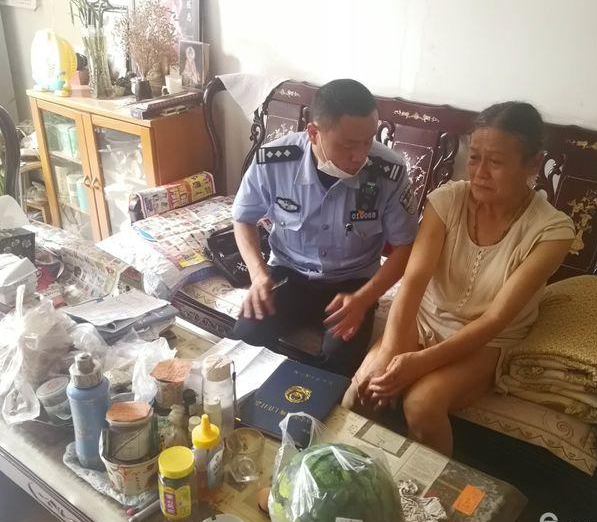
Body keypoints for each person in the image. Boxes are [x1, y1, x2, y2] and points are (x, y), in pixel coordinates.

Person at [343, 101, 576, 456]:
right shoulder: (447, 200)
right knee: (359, 394)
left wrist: (419, 363)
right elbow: (414, 280)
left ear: (533, 163)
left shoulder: (552, 232)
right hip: (425, 319)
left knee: (421, 405)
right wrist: (390, 352)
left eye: (495, 162)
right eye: (474, 158)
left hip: (487, 340)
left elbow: (496, 319)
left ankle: (429, 488)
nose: (480, 173)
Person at [230, 79, 419, 377]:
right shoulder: (274, 162)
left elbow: (406, 247)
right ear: (313, 133)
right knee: (244, 340)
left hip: (353, 285)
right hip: (289, 275)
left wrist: (364, 299)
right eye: (348, 145)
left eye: (368, 141)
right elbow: (243, 218)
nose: (360, 155)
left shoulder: (388, 172)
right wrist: (258, 275)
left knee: (337, 364)